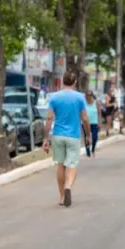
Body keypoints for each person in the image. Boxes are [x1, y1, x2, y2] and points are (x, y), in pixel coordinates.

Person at [43, 70, 90, 207]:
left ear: (63, 81)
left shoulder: (54, 97)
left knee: (60, 165)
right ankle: (68, 186)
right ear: (75, 82)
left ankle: (62, 197)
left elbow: (49, 118)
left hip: (58, 135)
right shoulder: (80, 98)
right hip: (73, 136)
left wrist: (46, 138)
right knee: (72, 164)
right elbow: (85, 118)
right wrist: (88, 134)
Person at [84, 90, 102, 158]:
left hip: (94, 122)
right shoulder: (83, 104)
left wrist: (99, 122)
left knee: (94, 137)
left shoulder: (96, 103)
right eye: (87, 96)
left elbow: (99, 113)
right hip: (86, 123)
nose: (88, 97)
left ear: (92, 96)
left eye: (90, 95)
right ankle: (88, 153)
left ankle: (93, 150)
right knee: (87, 138)